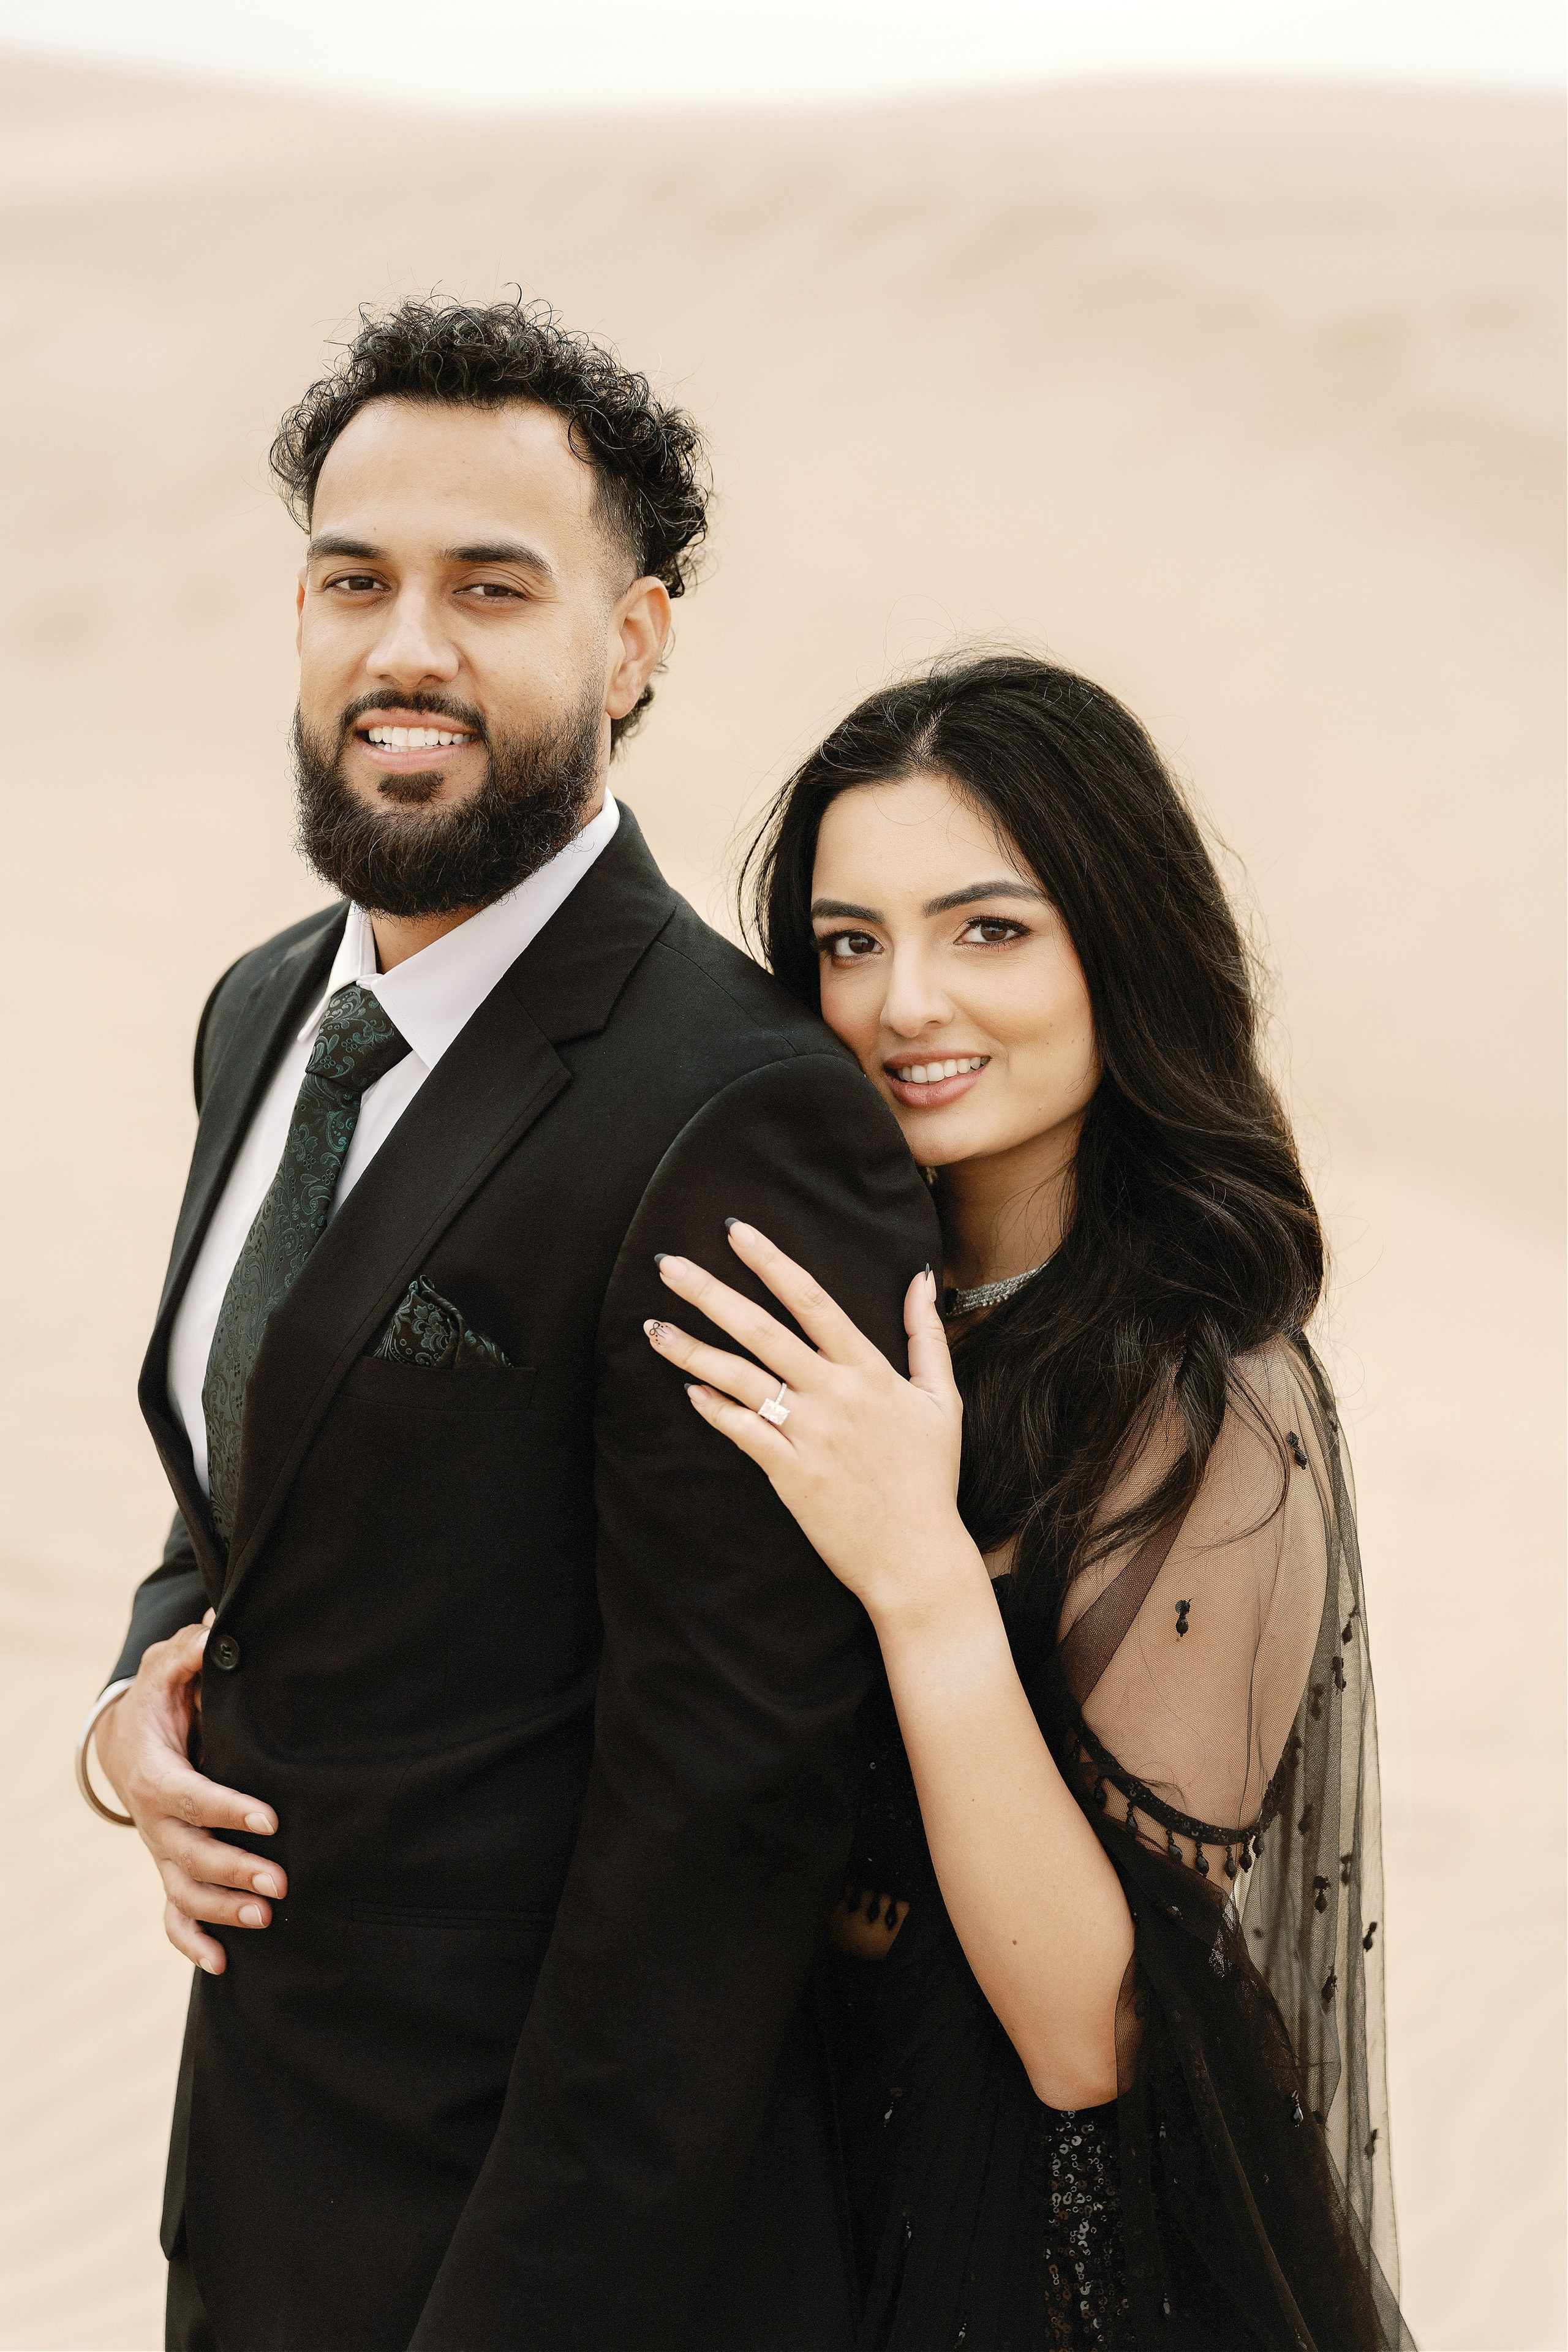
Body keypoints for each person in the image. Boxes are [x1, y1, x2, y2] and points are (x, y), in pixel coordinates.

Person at [75, 297, 939, 2352]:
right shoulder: (266, 1008)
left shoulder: (742, 1112)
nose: (407, 650)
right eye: (356, 580)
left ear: (631, 643)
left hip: (546, 2267)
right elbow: (255, 1488)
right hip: (252, 2205)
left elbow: (715, 1845)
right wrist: (135, 1708)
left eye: (493, 588)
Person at [644, 655, 1415, 2350]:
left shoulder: (1210, 1400)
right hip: (764, 2188)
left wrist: (921, 1577)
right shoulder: (826, 1305)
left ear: (1119, 946)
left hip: (1036, 2257)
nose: (906, 1000)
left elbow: (1089, 2029)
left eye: (987, 930)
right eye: (851, 943)